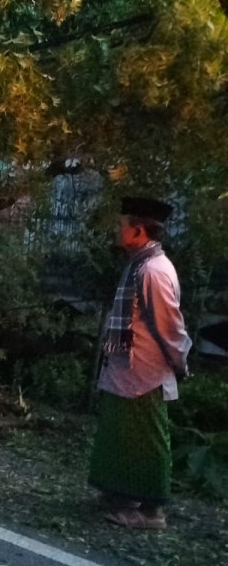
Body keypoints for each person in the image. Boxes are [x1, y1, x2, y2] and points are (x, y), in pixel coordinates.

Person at [89, 196, 191, 530]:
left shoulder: (154, 270)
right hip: (127, 368)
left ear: (139, 230)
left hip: (145, 371)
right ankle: (122, 498)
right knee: (120, 435)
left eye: (123, 225)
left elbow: (169, 326)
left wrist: (179, 363)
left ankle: (151, 512)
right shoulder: (140, 263)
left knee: (146, 440)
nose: (118, 230)